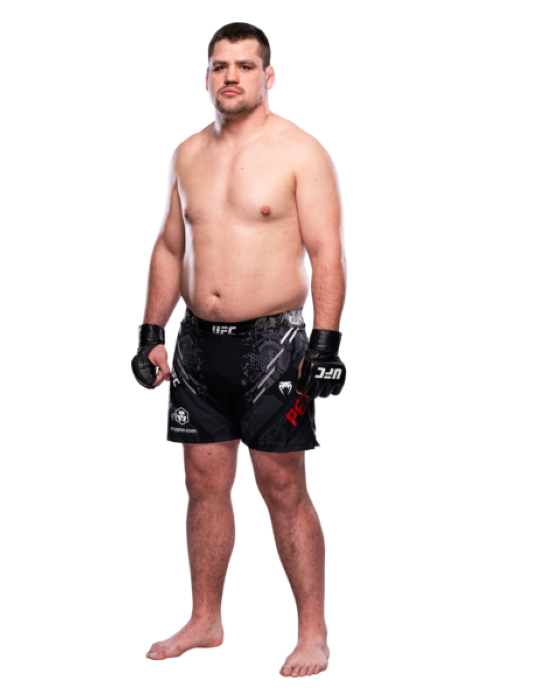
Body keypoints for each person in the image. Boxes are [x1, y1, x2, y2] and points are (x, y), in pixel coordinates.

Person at [132, 22, 347, 679]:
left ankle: (312, 632)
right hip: (197, 344)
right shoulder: (187, 154)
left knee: (282, 486)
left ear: (268, 77)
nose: (232, 76)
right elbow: (172, 245)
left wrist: (326, 342)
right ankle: (205, 620)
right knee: (202, 484)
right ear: (206, 78)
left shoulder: (301, 152)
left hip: (274, 344)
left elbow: (327, 253)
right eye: (220, 66)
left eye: (246, 66)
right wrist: (151, 331)